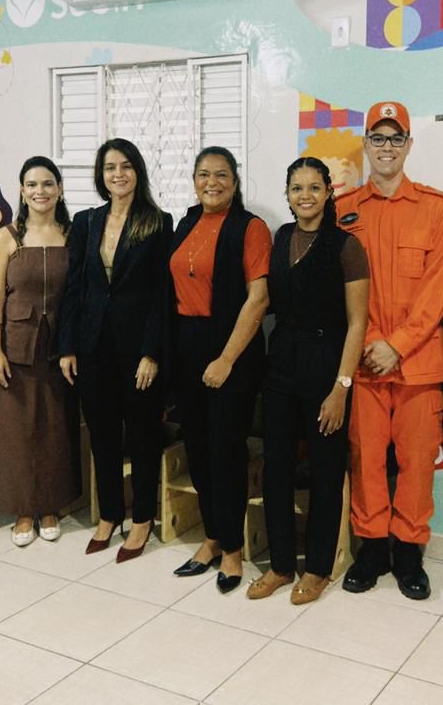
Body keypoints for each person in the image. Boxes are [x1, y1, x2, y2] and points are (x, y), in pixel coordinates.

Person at [336, 101, 443, 601]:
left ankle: (408, 553)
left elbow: (437, 291)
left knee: (416, 462)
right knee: (365, 459)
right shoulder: (344, 211)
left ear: (408, 145)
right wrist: (369, 345)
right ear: (366, 145)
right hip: (363, 362)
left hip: (418, 364)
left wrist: (398, 345)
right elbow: (338, 292)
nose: (387, 147)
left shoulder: (436, 208)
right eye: (378, 138)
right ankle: (370, 551)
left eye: (395, 138)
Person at [249, 158, 369, 605]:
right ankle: (281, 565)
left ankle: (318, 568)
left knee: (325, 470)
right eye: (297, 188)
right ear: (287, 194)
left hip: (326, 365)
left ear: (328, 193)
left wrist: (341, 387)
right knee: (276, 467)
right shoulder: (281, 237)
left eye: (314, 187)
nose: (305, 196)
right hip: (280, 362)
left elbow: (357, 323)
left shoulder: (346, 246)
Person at [59, 139, 172, 562]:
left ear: (137, 171)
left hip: (138, 350)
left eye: (126, 166)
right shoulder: (86, 222)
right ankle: (109, 514)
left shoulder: (157, 222)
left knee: (142, 436)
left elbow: (162, 294)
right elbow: (74, 288)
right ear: (101, 175)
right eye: (110, 167)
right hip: (93, 348)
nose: (118, 174)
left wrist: (152, 352)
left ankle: (141, 518)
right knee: (103, 436)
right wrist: (68, 346)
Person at [168, 146, 271, 594]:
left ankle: (232, 548)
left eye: (222, 175)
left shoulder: (250, 227)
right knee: (197, 447)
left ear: (235, 181)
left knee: (226, 452)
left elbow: (259, 299)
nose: (212, 182)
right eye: (204, 174)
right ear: (194, 181)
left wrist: (226, 359)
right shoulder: (186, 222)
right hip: (186, 347)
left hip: (232, 349)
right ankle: (211, 538)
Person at [0, 157, 79, 547]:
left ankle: (50, 505)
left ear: (59, 189)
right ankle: (24, 509)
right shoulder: (7, 236)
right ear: (22, 191)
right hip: (16, 345)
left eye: (47, 183)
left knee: (56, 427)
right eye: (31, 185)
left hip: (61, 348)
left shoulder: (74, 234)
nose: (40, 191)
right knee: (17, 430)